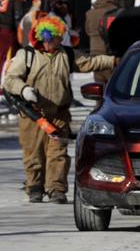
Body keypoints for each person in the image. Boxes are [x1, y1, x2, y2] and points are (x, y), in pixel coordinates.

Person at [3, 16, 117, 204]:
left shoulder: (66, 54)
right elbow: (10, 80)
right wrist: (24, 89)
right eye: (57, 37)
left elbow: (89, 62)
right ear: (46, 37)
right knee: (34, 154)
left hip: (59, 115)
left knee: (58, 154)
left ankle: (56, 188)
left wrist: (113, 60)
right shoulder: (27, 55)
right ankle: (35, 187)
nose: (60, 40)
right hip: (33, 116)